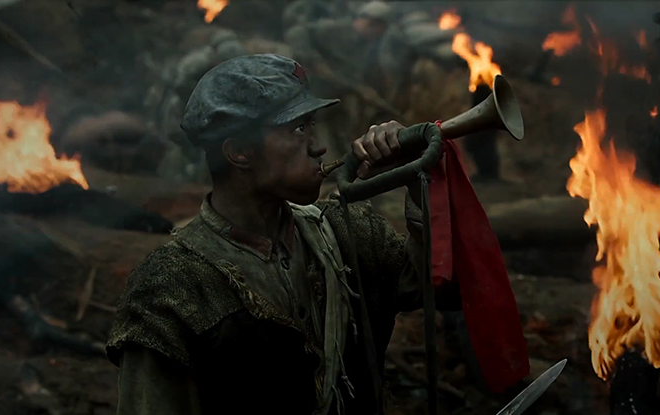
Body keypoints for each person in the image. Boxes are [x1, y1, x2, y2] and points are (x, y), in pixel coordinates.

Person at [107, 54, 528, 415]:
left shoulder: (347, 232)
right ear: (238, 152)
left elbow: (446, 287)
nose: (318, 146)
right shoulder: (170, 289)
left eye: (312, 125)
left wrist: (418, 179)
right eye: (298, 129)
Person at [284, 1, 394, 160]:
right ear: (370, 23)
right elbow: (296, 32)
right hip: (313, 91)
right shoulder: (335, 29)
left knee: (340, 133)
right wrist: (313, 60)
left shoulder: (363, 45)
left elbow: (349, 72)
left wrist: (362, 89)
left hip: (335, 95)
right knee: (318, 134)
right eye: (378, 31)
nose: (377, 37)